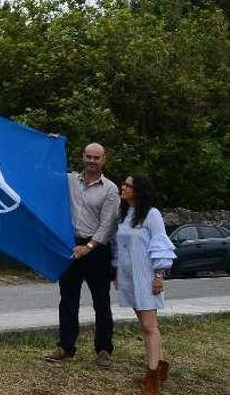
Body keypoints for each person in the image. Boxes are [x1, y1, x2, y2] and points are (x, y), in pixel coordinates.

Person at [46, 143, 120, 367]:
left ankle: (104, 349)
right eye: (88, 156)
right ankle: (66, 347)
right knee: (68, 299)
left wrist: (88, 247)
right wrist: (49, 145)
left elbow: (108, 225)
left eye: (96, 157)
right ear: (83, 157)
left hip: (97, 249)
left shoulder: (110, 189)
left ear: (103, 160)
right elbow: (45, 171)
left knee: (101, 301)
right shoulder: (69, 180)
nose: (91, 160)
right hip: (70, 246)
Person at [113, 174, 175, 395]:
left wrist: (159, 274)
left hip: (147, 277)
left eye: (128, 185)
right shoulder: (125, 214)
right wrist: (117, 272)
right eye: (124, 184)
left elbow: (160, 242)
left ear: (138, 190)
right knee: (147, 326)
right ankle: (160, 365)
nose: (123, 187)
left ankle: (152, 378)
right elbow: (120, 247)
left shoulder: (152, 214)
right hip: (129, 277)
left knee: (150, 327)